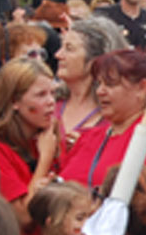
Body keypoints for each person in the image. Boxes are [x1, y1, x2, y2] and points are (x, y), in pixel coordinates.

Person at [59, 45, 146, 188]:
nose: (100, 91)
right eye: (99, 84)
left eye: (110, 84)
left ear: (142, 88)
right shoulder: (88, 138)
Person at [0, 57, 59, 235]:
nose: (51, 102)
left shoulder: (50, 135)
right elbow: (24, 217)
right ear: (15, 101)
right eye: (41, 95)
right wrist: (45, 159)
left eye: (53, 94)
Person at [54, 16, 126, 146]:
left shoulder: (114, 115)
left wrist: (88, 149)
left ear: (95, 61)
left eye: (69, 49)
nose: (58, 55)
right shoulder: (50, 103)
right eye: (61, 47)